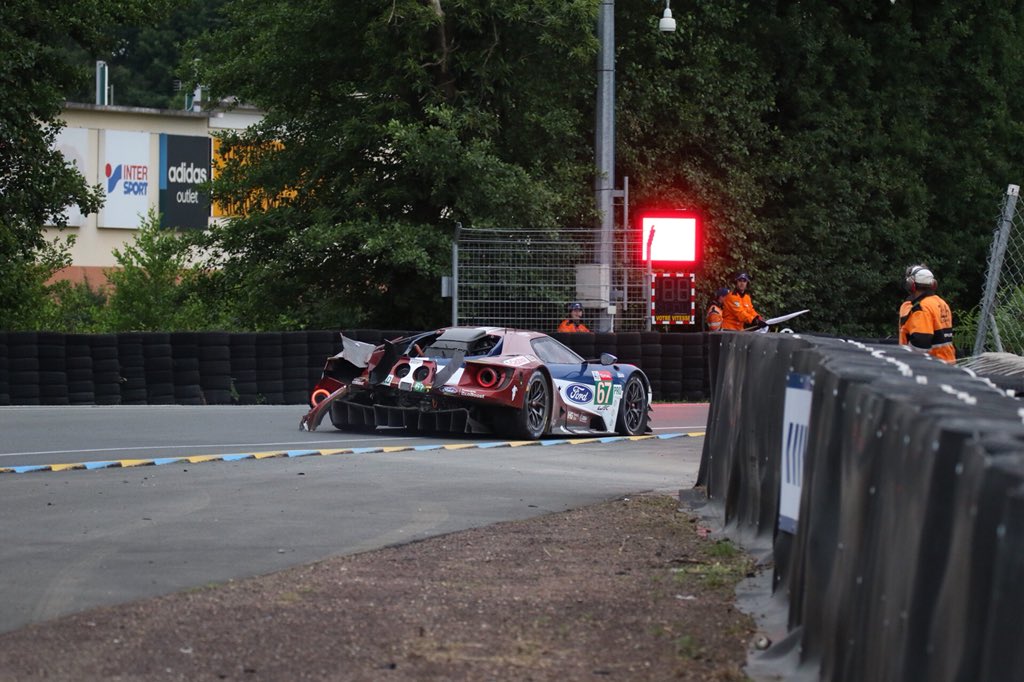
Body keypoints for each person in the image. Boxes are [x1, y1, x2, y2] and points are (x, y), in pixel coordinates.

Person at [899, 264, 955, 364]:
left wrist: (905, 359)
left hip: (931, 366)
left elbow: (920, 344)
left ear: (911, 285)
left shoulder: (921, 308)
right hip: (947, 362)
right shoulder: (941, 303)